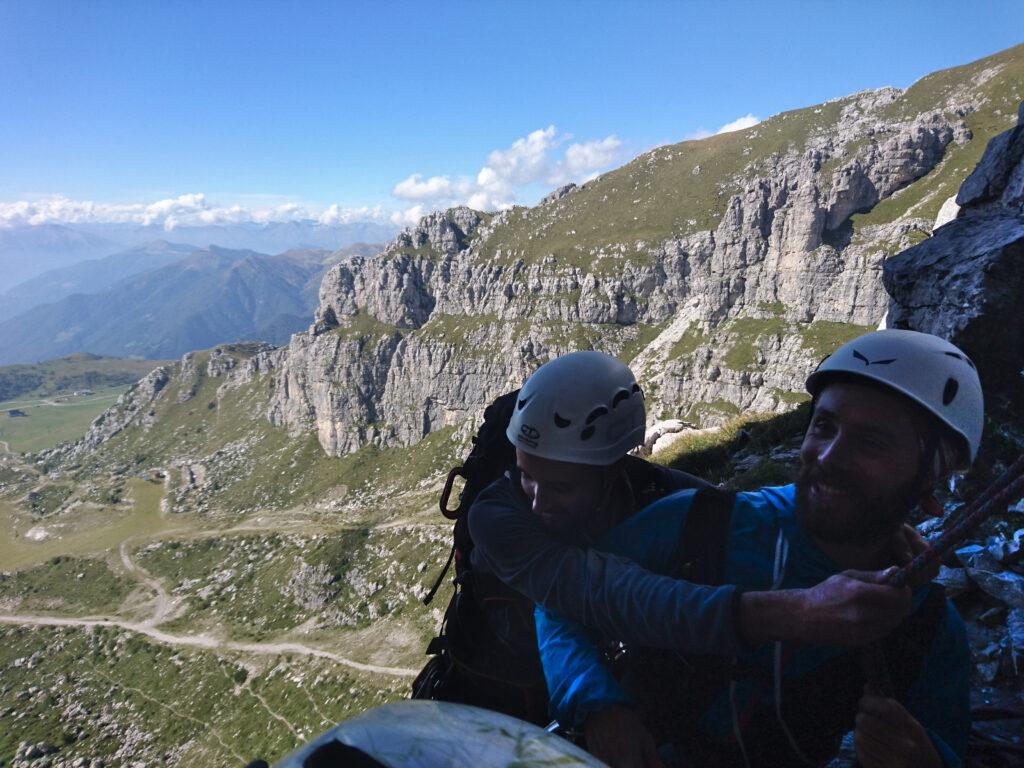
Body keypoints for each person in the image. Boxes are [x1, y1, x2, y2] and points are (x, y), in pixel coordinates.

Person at [535, 329, 979, 768]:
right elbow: (559, 600)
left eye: (871, 441)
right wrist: (599, 707)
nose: (826, 457)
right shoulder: (706, 524)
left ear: (931, 476)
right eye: (823, 426)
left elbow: (946, 741)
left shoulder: (927, 629)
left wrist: (925, 758)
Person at [467, 349, 921, 720]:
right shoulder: (493, 515)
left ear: (614, 467)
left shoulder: (657, 493)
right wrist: (784, 614)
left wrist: (864, 516)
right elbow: (599, 593)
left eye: (562, 486)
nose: (537, 502)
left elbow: (736, 510)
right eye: (526, 476)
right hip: (497, 682)